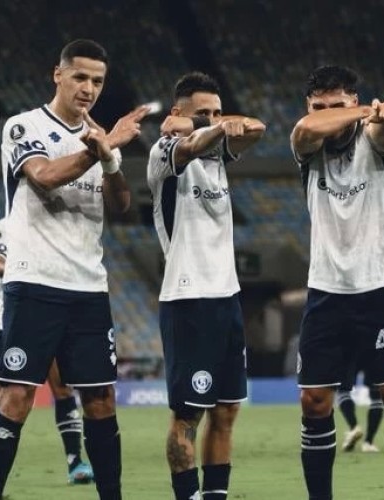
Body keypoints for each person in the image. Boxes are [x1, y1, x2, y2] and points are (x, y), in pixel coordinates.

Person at [0, 39, 146, 500]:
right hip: (33, 282)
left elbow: (123, 205)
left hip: (88, 287)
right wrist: (103, 146)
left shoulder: (96, 134)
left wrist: (110, 157)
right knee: (16, 397)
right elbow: (44, 177)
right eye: (80, 77)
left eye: (97, 81)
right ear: (59, 74)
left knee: (100, 399)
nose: (88, 88)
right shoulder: (23, 126)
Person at [291, 65, 384, 500]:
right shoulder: (307, 146)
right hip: (327, 289)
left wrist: (380, 119)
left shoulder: (375, 139)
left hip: (382, 286)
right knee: (314, 401)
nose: (327, 115)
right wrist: (362, 109)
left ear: (353, 102)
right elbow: (307, 129)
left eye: (338, 105)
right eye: (320, 106)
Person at [147, 72, 265, 500]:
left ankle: (215, 495)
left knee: (227, 410)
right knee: (188, 416)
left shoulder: (217, 151)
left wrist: (215, 122)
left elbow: (256, 128)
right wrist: (208, 128)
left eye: (217, 111)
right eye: (203, 112)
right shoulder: (165, 152)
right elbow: (192, 144)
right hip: (187, 297)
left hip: (226, 297)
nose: (214, 120)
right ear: (176, 114)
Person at [0, 217, 94, 484]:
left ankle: (75, 462)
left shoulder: (61, 226)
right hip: (16, 319)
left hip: (55, 317)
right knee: (6, 393)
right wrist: (30, 278)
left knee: (62, 388)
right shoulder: (10, 223)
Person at [336, 368, 384, 453]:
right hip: (372, 356)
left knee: (343, 390)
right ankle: (368, 442)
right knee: (376, 397)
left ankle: (354, 427)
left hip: (350, 355)